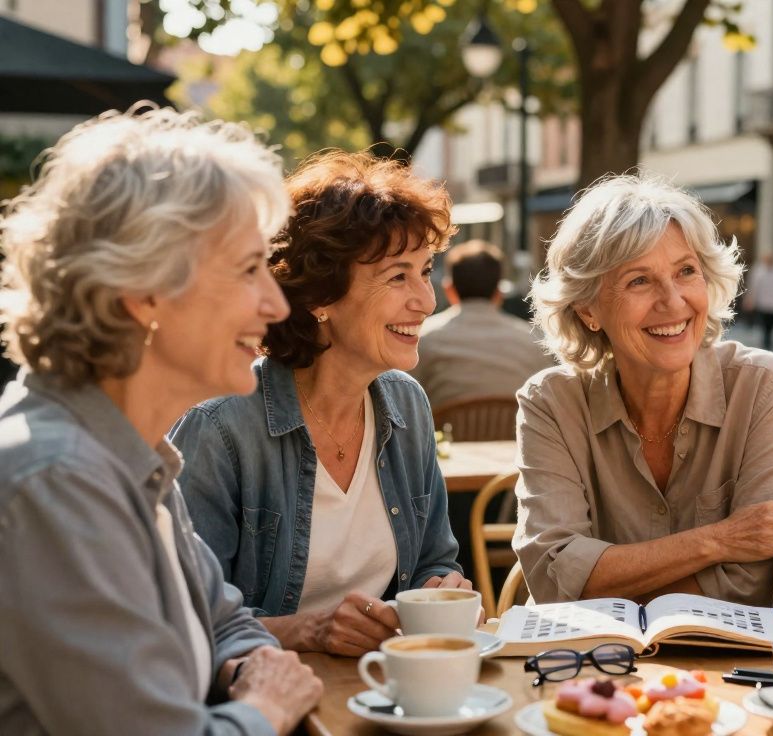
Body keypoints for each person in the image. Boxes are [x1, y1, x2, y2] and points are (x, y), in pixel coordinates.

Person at [0, 108, 321, 734]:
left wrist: (247, 668)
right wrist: (265, 708)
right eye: (247, 269)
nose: (277, 303)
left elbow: (224, 618)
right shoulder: (60, 481)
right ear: (143, 287)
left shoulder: (129, 454)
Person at [170, 151, 470, 658]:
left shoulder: (406, 403)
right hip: (264, 703)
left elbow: (433, 561)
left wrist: (444, 589)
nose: (427, 300)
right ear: (319, 297)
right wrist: (308, 630)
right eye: (399, 277)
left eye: (426, 271)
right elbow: (185, 618)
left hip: (382, 692)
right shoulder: (220, 428)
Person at [514, 175, 773, 606]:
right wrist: (721, 541)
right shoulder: (551, 403)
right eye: (639, 281)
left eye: (687, 271)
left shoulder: (762, 384)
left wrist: (604, 580)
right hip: (589, 662)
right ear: (588, 309)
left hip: (725, 664)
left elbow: (758, 578)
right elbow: (555, 575)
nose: (673, 301)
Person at [411, 239, 555, 411]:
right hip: (515, 437)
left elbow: (406, 401)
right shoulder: (534, 340)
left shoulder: (423, 338)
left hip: (447, 437)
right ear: (499, 293)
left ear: (449, 290)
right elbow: (549, 400)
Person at [745, 251, 773, 353]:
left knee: (771, 327)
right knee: (764, 327)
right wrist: (751, 300)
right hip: (762, 304)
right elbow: (754, 288)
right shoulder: (759, 272)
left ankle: (769, 345)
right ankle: (766, 345)